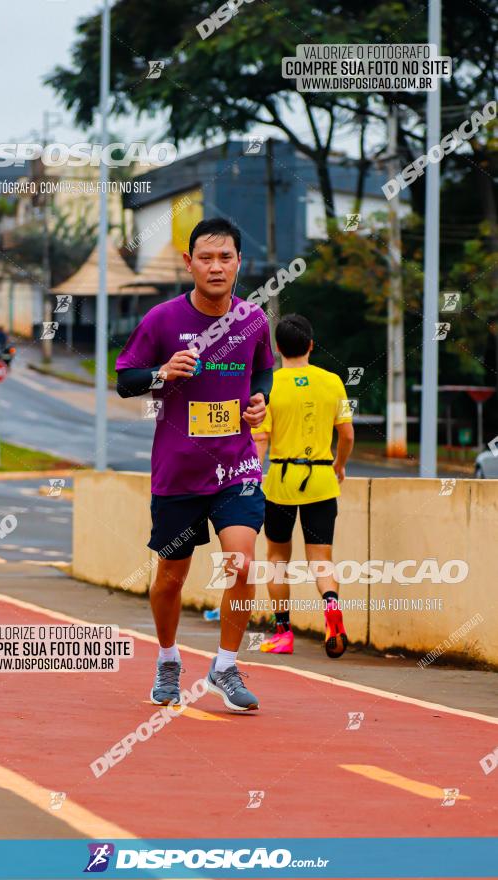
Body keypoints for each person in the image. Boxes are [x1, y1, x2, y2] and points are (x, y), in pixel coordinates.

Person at [116, 217, 274, 711]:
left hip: (236, 468)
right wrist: (161, 373)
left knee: (243, 565)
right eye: (206, 257)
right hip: (179, 471)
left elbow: (263, 369)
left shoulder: (254, 321)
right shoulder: (162, 320)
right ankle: (167, 658)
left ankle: (225, 666)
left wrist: (259, 399)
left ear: (239, 263)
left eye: (225, 257)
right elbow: (124, 379)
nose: (216, 266)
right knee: (171, 578)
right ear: (189, 263)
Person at [252, 314, 354, 657]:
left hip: (281, 481)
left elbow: (261, 439)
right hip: (322, 481)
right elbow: (347, 434)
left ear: (277, 347)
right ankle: (331, 604)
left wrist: (252, 477)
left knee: (278, 558)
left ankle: (282, 633)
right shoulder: (333, 382)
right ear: (311, 345)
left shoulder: (270, 386)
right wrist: (338, 465)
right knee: (321, 558)